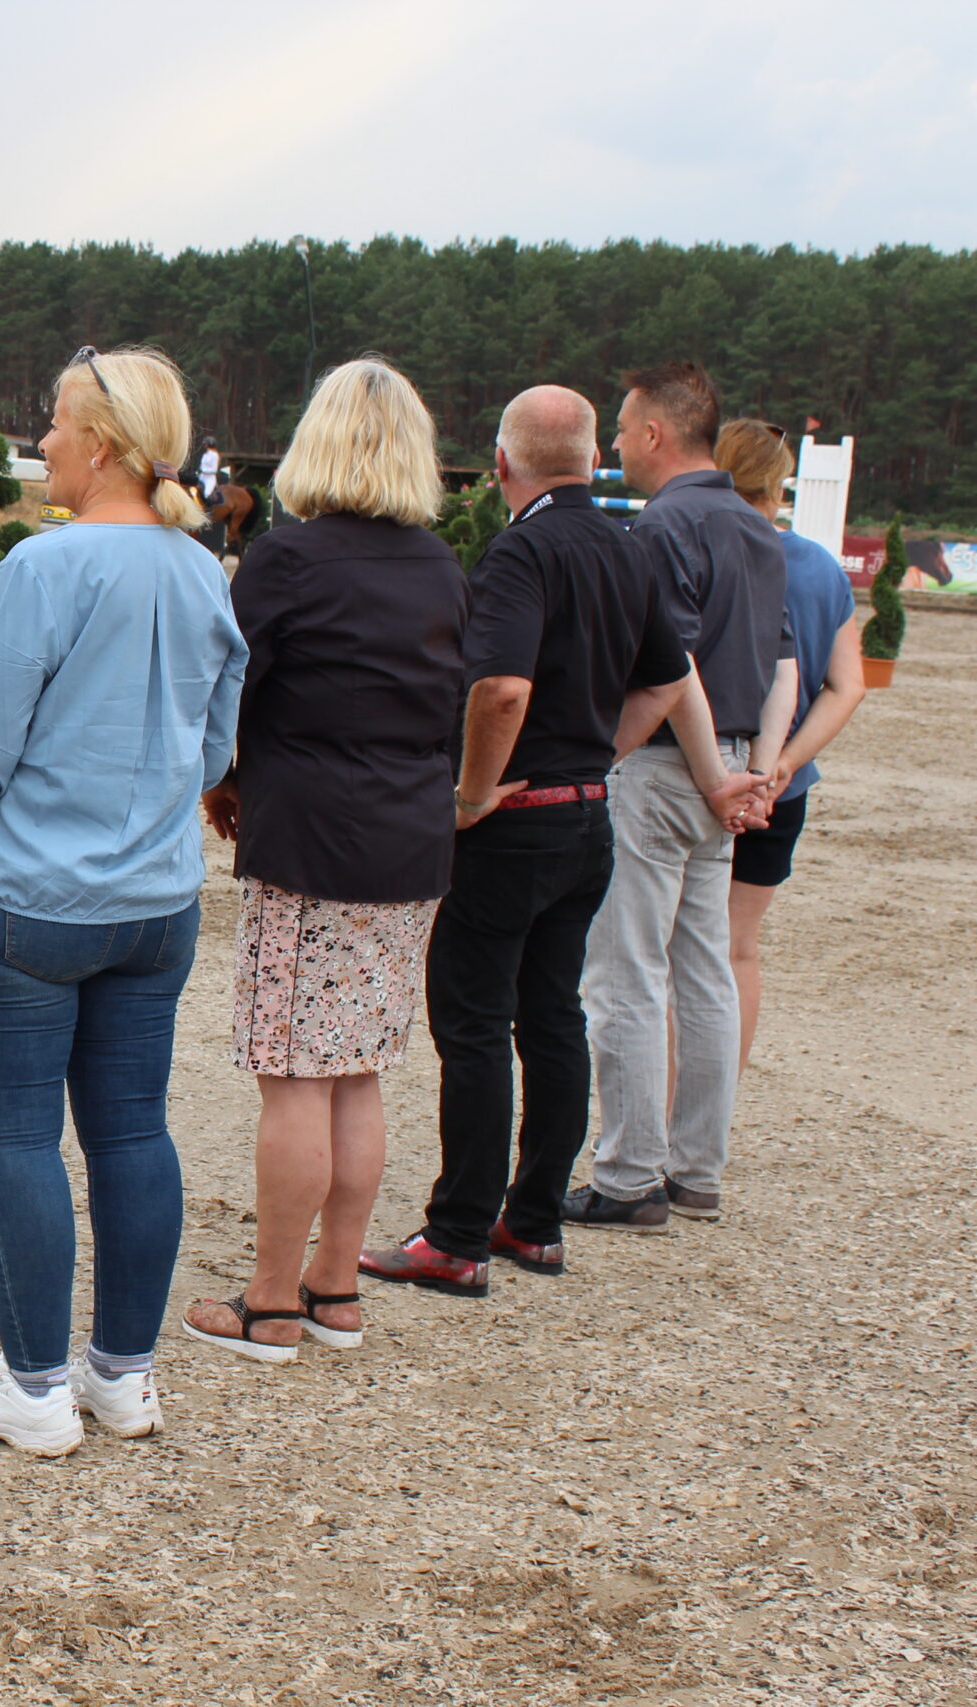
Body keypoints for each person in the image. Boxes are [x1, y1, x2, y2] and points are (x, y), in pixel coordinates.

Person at [0, 348, 245, 1455]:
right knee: (133, 1129)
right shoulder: (202, 571)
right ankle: (124, 1375)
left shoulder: (44, 566)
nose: (43, 442)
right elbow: (217, 745)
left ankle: (34, 1387)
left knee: (15, 1135)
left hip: (30, 898)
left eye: (55, 424)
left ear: (100, 446)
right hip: (155, 903)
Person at [359, 388, 691, 1298]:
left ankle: (457, 1232)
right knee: (552, 1017)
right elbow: (667, 679)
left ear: (502, 463)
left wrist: (471, 794)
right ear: (595, 460)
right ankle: (534, 1218)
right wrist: (598, 755)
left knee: (473, 1022)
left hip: (514, 820)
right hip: (586, 815)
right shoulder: (629, 547)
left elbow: (501, 688)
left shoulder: (522, 550)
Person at [184, 357, 468, 1361]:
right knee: (358, 1072)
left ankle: (269, 1302)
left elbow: (228, 687)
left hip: (312, 844)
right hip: (411, 843)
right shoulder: (442, 566)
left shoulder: (287, 558)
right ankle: (335, 1285)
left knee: (296, 1074)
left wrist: (224, 779)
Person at [568, 365, 798, 1233]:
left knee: (627, 969)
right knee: (704, 967)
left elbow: (675, 665)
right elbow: (784, 667)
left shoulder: (664, 525)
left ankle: (630, 1173)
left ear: (656, 434)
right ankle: (698, 1168)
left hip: (671, 765)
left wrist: (710, 775)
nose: (616, 444)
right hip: (731, 760)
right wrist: (755, 773)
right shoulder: (757, 526)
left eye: (624, 428)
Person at [712, 418, 865, 1075]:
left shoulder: (702, 545)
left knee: (674, 954)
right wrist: (786, 763)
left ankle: (666, 1106)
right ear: (779, 484)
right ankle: (720, 1101)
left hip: (703, 775)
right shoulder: (822, 568)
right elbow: (847, 686)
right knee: (738, 948)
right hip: (780, 789)